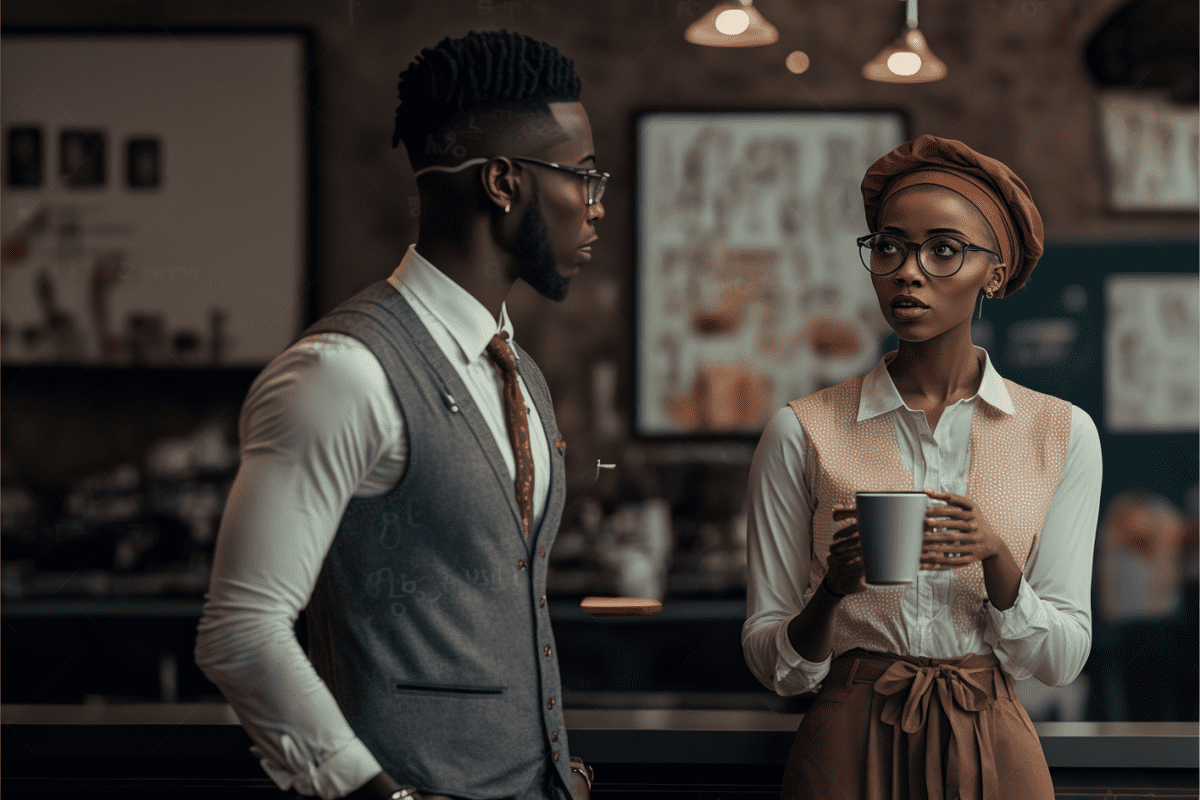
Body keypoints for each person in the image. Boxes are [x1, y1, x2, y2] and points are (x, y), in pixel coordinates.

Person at [195, 30, 605, 800]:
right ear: (504, 182)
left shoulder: (519, 371)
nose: (597, 204)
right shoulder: (339, 373)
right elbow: (241, 632)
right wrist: (372, 796)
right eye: (583, 176)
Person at [742, 134, 1102, 799]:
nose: (909, 271)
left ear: (994, 272)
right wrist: (833, 590)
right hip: (844, 746)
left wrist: (996, 559)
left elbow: (1062, 657)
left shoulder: (1063, 432)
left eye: (943, 250)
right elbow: (775, 665)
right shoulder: (800, 431)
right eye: (889, 246)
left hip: (992, 746)